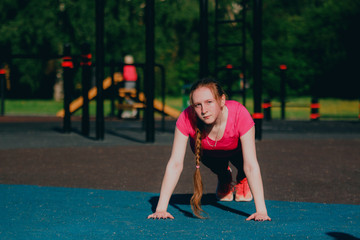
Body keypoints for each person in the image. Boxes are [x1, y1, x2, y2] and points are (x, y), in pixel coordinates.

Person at [147, 78, 271, 221]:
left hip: (237, 152)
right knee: (218, 166)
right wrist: (161, 209)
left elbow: (251, 164)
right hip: (209, 153)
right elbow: (175, 164)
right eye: (197, 105)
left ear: (222, 100)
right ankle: (224, 177)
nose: (204, 110)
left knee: (244, 165)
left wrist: (261, 211)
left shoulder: (239, 114)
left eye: (209, 102)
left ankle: (242, 178)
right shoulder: (186, 117)